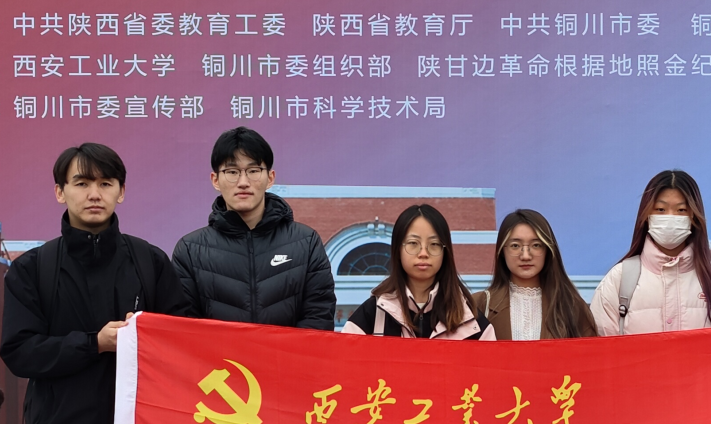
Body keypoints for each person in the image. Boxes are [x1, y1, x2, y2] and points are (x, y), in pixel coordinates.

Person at [0, 142, 187, 424]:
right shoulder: (33, 269)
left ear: (121, 191)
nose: (94, 194)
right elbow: (20, 351)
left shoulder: (150, 262)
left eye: (105, 183)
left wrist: (150, 336)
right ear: (60, 191)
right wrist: (94, 344)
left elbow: (183, 342)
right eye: (82, 183)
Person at [172, 125, 336, 328]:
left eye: (253, 171)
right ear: (215, 180)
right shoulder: (190, 250)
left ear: (270, 178)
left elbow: (318, 319)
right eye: (232, 172)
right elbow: (184, 329)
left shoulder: (306, 242)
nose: (243, 182)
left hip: (288, 350)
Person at [591, 170, 711, 335]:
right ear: (646, 215)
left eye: (681, 210)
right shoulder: (619, 279)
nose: (670, 217)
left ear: (694, 216)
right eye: (660, 209)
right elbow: (601, 346)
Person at [342, 204, 493, 338]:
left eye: (434, 244)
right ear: (398, 250)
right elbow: (343, 357)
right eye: (413, 243)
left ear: (445, 252)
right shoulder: (373, 314)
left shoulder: (470, 321)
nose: (423, 253)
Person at [474, 209, 598, 341]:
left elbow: (590, 352)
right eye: (515, 246)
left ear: (548, 250)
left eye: (536, 245)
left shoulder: (572, 306)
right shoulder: (478, 305)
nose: (525, 256)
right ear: (502, 251)